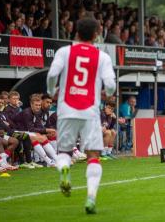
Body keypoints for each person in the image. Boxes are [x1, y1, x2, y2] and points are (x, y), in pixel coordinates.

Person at [47, 18, 116, 214]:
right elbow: (110, 84)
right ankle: (91, 198)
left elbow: (52, 75)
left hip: (66, 108)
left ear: (76, 33)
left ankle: (64, 170)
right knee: (93, 155)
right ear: (96, 35)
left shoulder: (64, 52)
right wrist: (107, 93)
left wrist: (52, 91)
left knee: (64, 152)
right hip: (90, 111)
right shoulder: (102, 57)